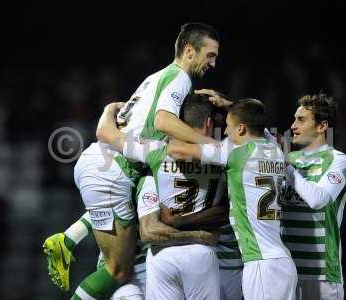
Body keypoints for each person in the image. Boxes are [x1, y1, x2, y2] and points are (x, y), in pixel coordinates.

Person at [42, 22, 220, 299]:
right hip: (113, 169)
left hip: (101, 163)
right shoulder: (180, 79)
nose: (213, 62)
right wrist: (213, 147)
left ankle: (68, 238)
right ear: (189, 51)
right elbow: (163, 120)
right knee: (118, 270)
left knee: (135, 207)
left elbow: (118, 124)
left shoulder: (154, 78)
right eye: (210, 55)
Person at [165, 99, 298, 300]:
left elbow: (175, 149)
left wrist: (204, 140)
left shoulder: (235, 153)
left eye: (228, 126)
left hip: (261, 263)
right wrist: (229, 104)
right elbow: (257, 122)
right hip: (281, 261)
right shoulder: (275, 151)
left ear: (242, 129)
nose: (225, 132)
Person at [97, 94, 226, 299]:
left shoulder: (157, 151)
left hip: (161, 255)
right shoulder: (225, 156)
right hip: (201, 254)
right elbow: (259, 139)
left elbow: (106, 133)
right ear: (210, 123)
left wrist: (109, 109)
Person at [281, 93, 346, 300]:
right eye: (294, 119)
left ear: (322, 126)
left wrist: (287, 167)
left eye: (301, 120)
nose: (293, 125)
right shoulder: (289, 159)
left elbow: (318, 199)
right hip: (286, 270)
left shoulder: (339, 161)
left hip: (321, 274)